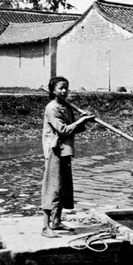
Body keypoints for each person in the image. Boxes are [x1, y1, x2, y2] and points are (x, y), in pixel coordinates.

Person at [40, 76, 95, 238]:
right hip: (54, 150)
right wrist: (81, 121)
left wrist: (83, 120)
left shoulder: (66, 107)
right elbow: (63, 130)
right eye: (60, 88)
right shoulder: (52, 108)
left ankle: (56, 221)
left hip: (65, 150)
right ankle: (45, 227)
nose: (64, 91)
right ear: (53, 91)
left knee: (63, 186)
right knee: (53, 187)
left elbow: (73, 130)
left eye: (66, 88)